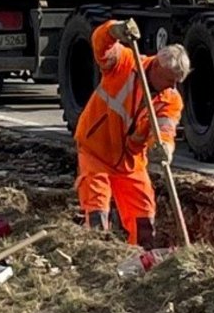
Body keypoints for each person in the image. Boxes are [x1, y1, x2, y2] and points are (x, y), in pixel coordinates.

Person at [73, 19, 186, 248]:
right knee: (97, 206)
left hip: (130, 162)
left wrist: (164, 147)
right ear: (155, 67)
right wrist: (115, 29)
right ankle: (97, 255)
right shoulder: (125, 63)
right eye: (169, 80)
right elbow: (100, 44)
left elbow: (165, 130)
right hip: (96, 149)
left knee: (143, 211)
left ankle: (142, 258)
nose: (171, 87)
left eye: (176, 82)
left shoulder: (170, 99)